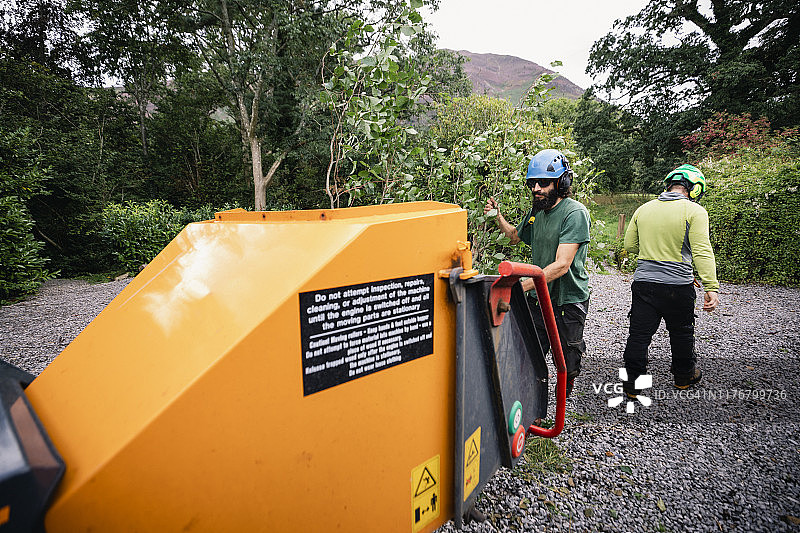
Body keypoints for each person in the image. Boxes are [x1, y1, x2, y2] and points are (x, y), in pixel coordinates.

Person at [484, 149, 591, 396]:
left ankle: (566, 391)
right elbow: (513, 237)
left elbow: (562, 265)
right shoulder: (537, 212)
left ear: (562, 182)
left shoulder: (574, 213)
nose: (536, 189)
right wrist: (497, 215)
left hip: (567, 300)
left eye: (544, 183)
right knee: (531, 353)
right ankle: (534, 405)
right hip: (538, 299)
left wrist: (519, 286)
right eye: (533, 183)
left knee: (567, 357)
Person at [621, 164, 719, 395]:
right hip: (678, 287)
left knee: (639, 334)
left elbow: (630, 246)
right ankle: (683, 378)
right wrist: (711, 286)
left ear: (669, 185)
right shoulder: (695, 211)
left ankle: (633, 385)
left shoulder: (643, 209)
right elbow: (701, 250)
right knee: (682, 332)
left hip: (644, 284)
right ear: (695, 189)